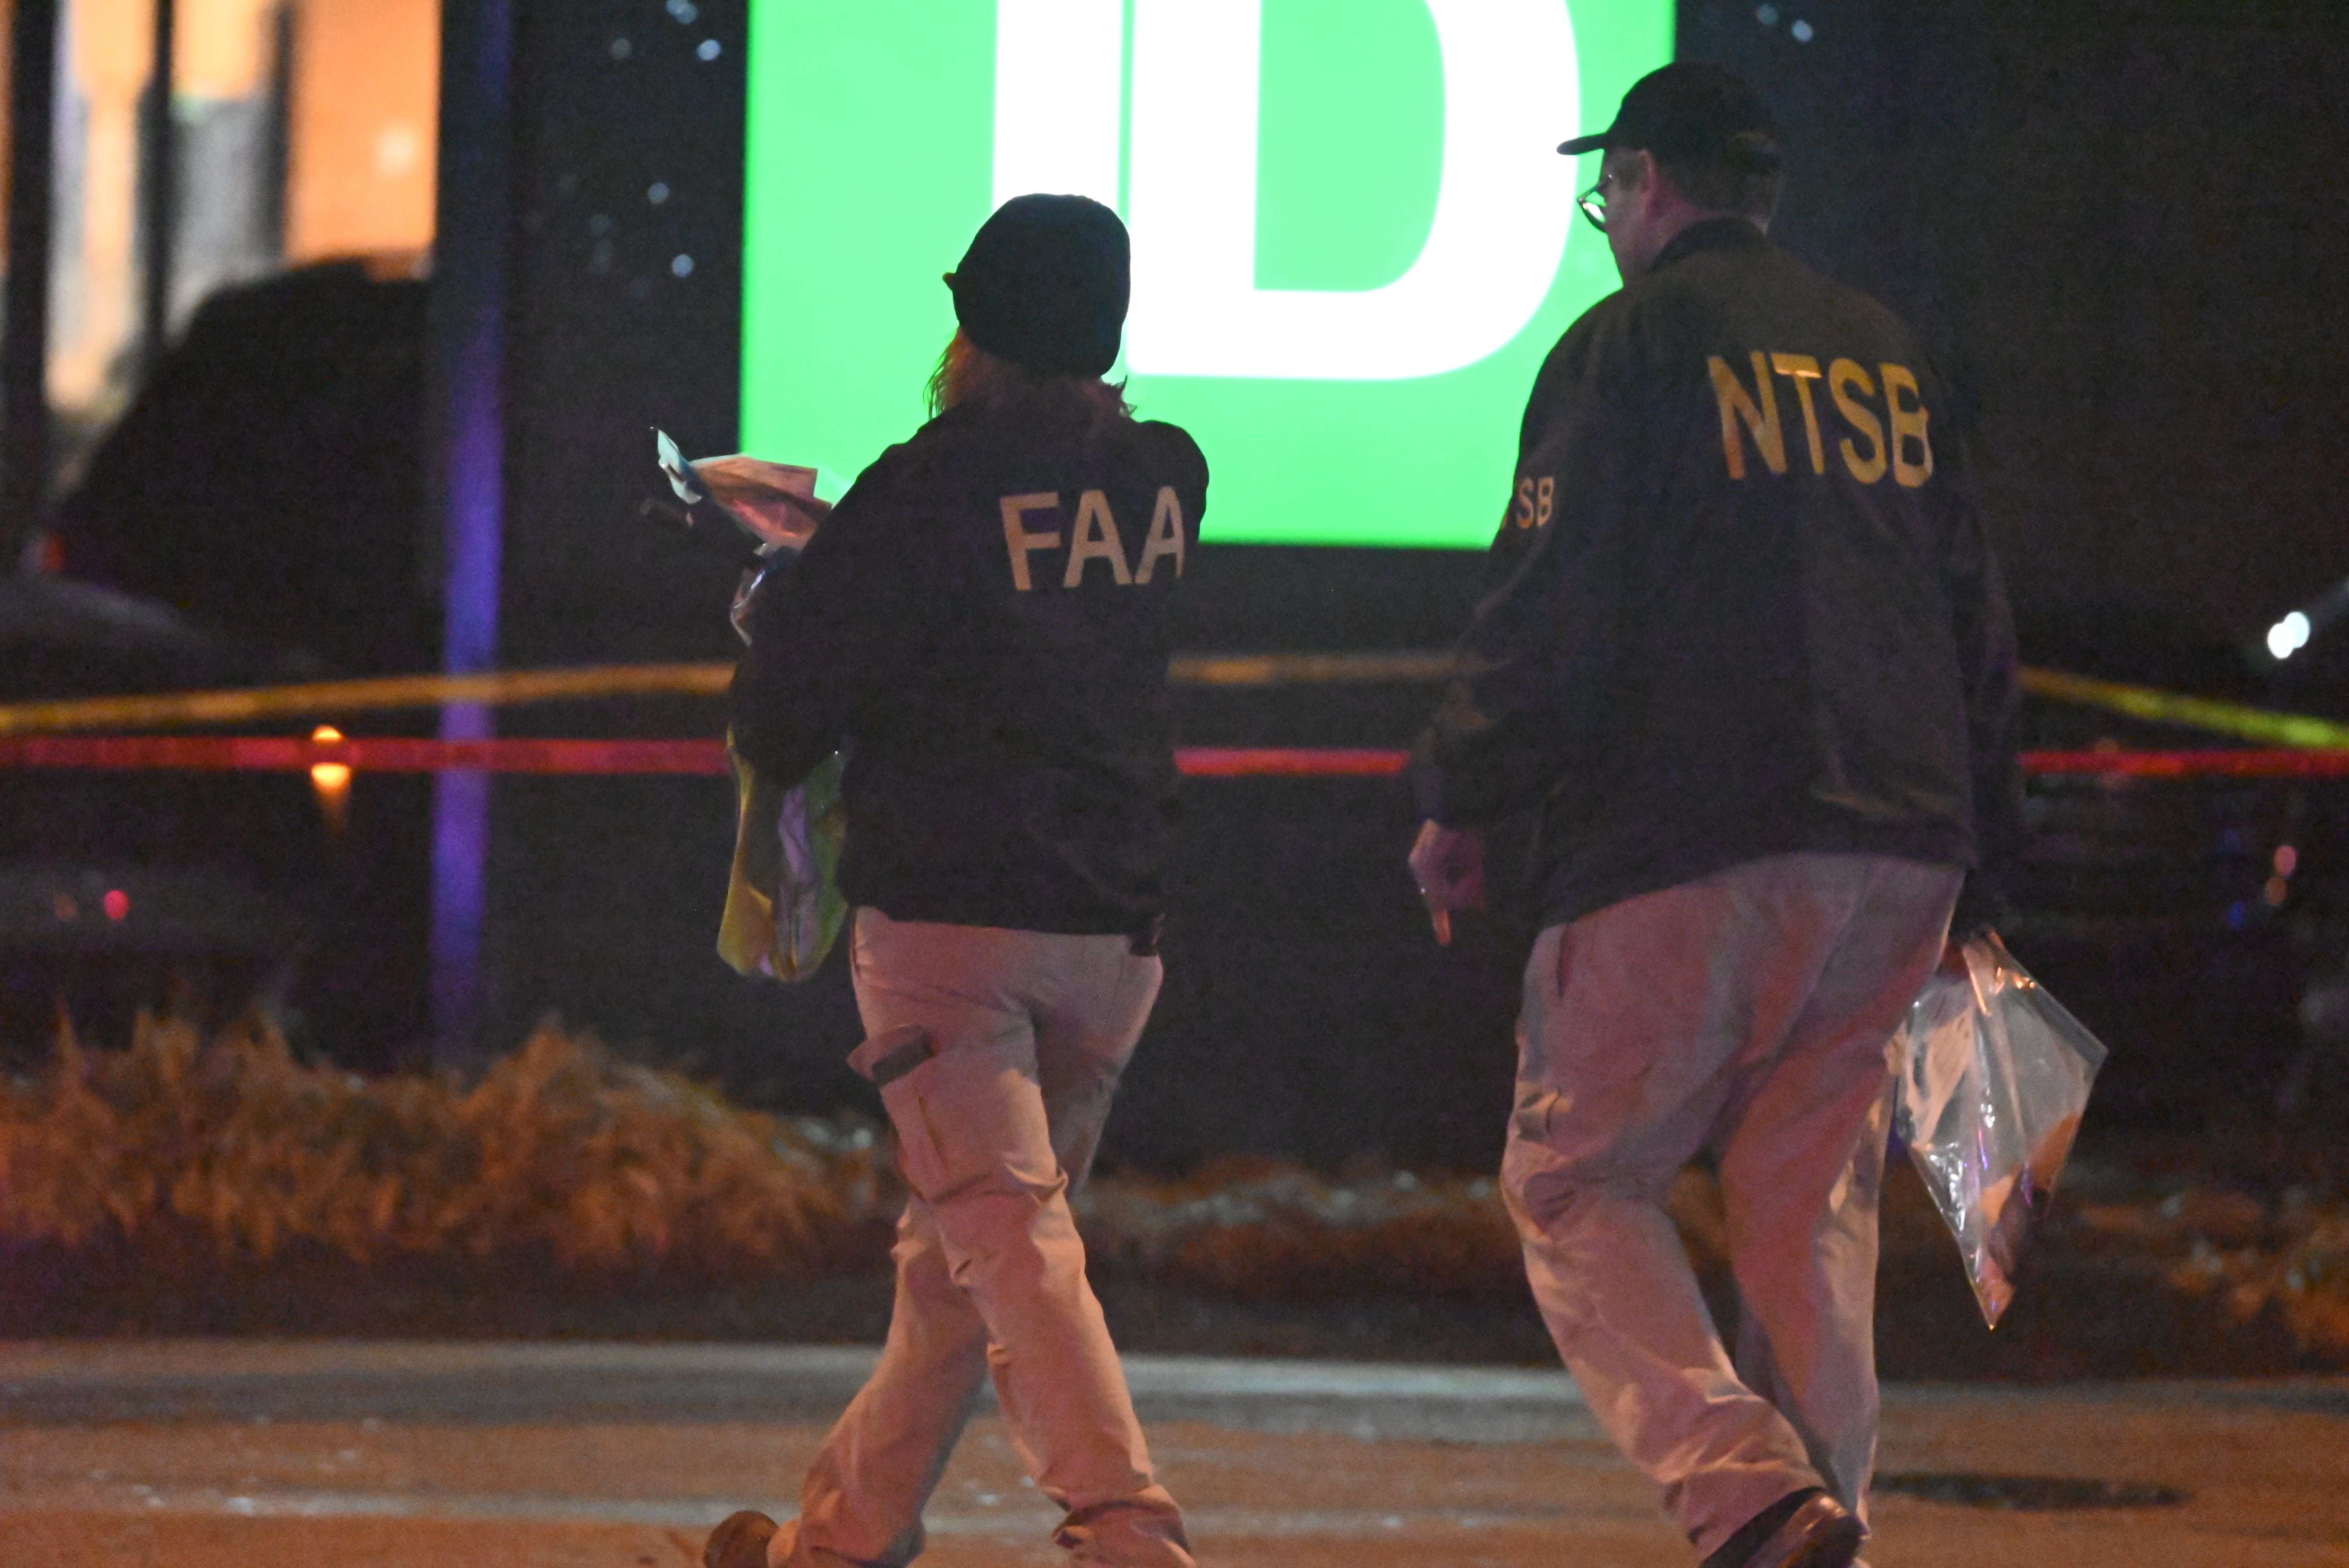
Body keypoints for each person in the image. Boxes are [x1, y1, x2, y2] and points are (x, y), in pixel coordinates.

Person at [1407, 63, 2023, 1568]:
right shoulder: (1885, 350)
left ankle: (1747, 1494)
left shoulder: (1627, 345)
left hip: (1691, 829)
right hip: (1903, 845)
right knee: (1805, 1201)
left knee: (1576, 1178)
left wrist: (1462, 792)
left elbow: (1548, 600)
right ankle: (1829, 1526)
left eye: (1603, 192)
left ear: (1644, 184)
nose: (1601, 217)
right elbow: (1974, 621)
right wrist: (1980, 860)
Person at [706, 194, 1207, 1568]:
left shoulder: (926, 484)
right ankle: (842, 1539)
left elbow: (784, 718)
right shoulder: (1170, 475)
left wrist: (782, 600)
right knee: (964, 1264)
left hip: (952, 927)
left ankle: (1126, 1531)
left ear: (974, 328)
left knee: (1005, 1246)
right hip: (1116, 932)